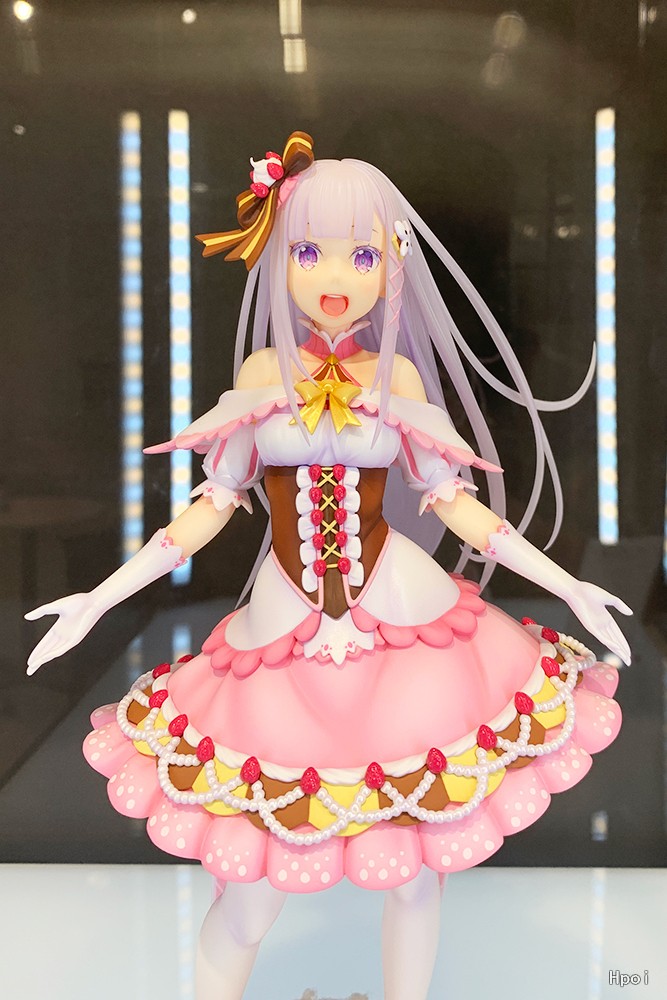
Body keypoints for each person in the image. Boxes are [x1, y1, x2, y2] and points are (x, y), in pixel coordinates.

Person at [26, 132, 631, 1000]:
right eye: (307, 252)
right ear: (276, 257)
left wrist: (566, 584)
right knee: (248, 890)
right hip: (282, 640)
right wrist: (97, 596)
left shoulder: (401, 383)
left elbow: (456, 505)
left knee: (418, 871)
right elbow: (209, 508)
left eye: (361, 254)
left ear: (392, 264)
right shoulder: (261, 374)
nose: (332, 275)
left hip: (407, 630)